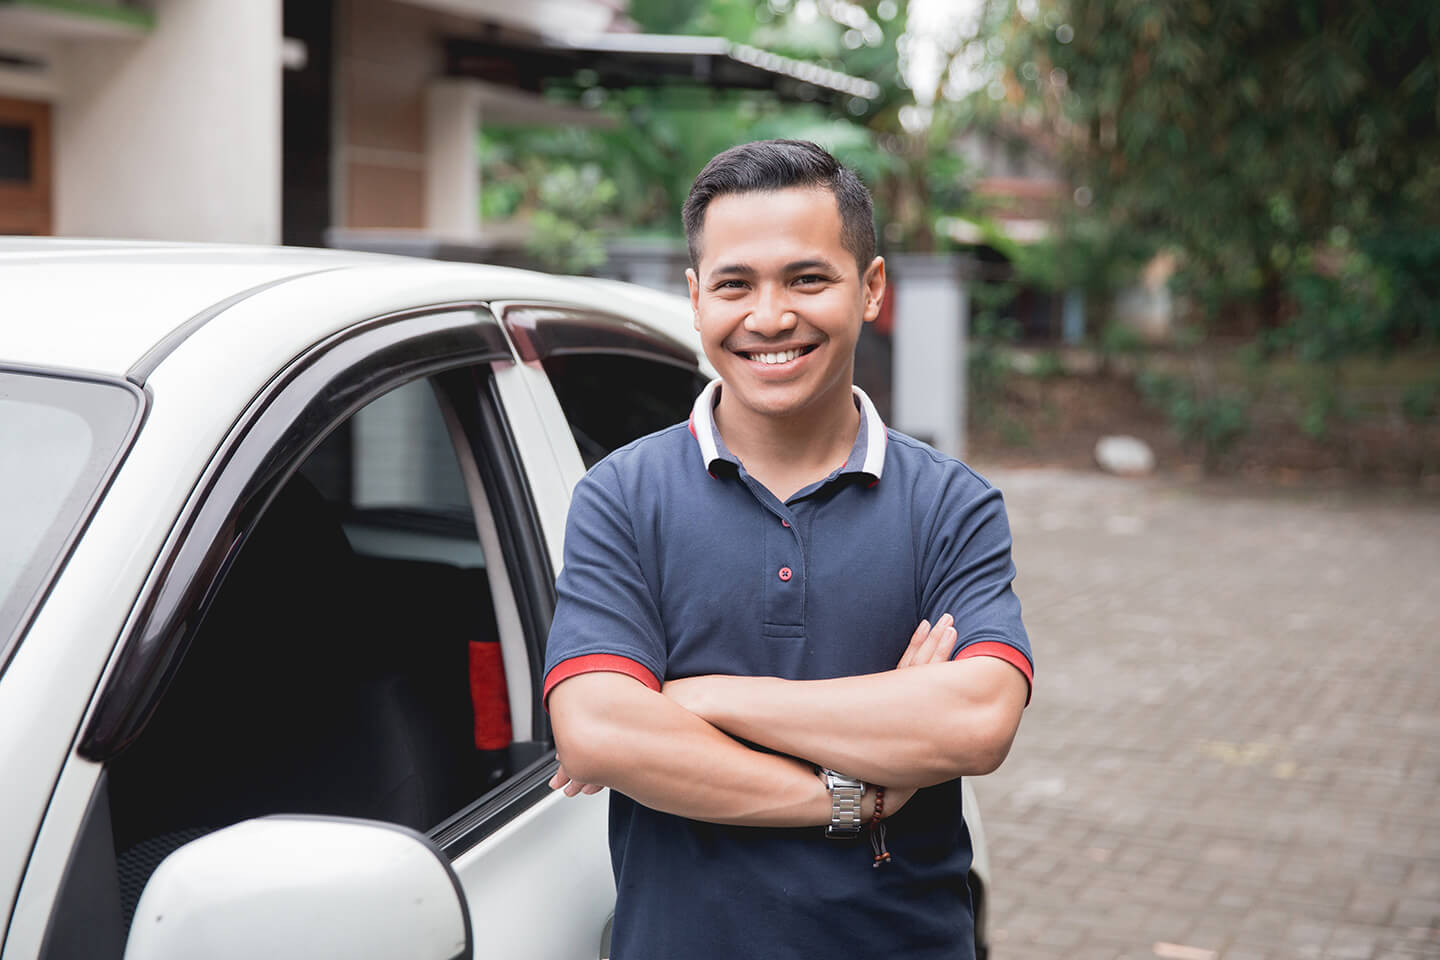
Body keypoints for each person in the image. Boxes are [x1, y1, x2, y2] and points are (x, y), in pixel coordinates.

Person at [543, 139, 1032, 960]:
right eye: (735, 284)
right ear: (697, 300)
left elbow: (977, 720)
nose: (769, 318)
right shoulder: (622, 497)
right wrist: (857, 797)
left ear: (871, 289)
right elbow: (597, 731)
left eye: (808, 279)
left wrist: (704, 699)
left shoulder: (950, 503)